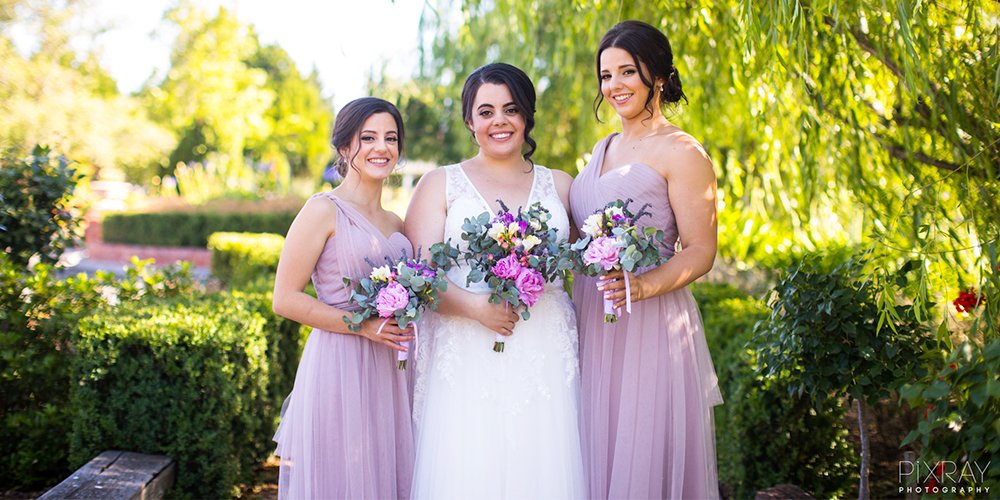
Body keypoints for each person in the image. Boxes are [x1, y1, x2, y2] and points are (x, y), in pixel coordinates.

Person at [404, 62, 586, 499]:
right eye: (485, 112)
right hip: (466, 347)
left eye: (510, 109)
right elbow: (421, 275)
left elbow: (581, 260)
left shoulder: (562, 186)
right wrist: (475, 308)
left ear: (527, 115)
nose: (499, 121)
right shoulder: (440, 184)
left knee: (544, 463)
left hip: (544, 344)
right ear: (470, 121)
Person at [570, 20, 723, 499]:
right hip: (593, 316)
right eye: (605, 75)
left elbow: (701, 251)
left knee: (641, 450)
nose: (614, 86)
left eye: (626, 72)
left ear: (656, 75)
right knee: (594, 445)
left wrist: (641, 286)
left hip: (649, 319)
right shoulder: (603, 148)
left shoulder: (683, 152)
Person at [271, 97, 415, 499]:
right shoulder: (322, 210)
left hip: (392, 365)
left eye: (390, 137)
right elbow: (284, 299)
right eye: (367, 137)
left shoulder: (396, 222)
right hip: (340, 362)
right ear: (345, 147)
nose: (381, 147)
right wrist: (364, 326)